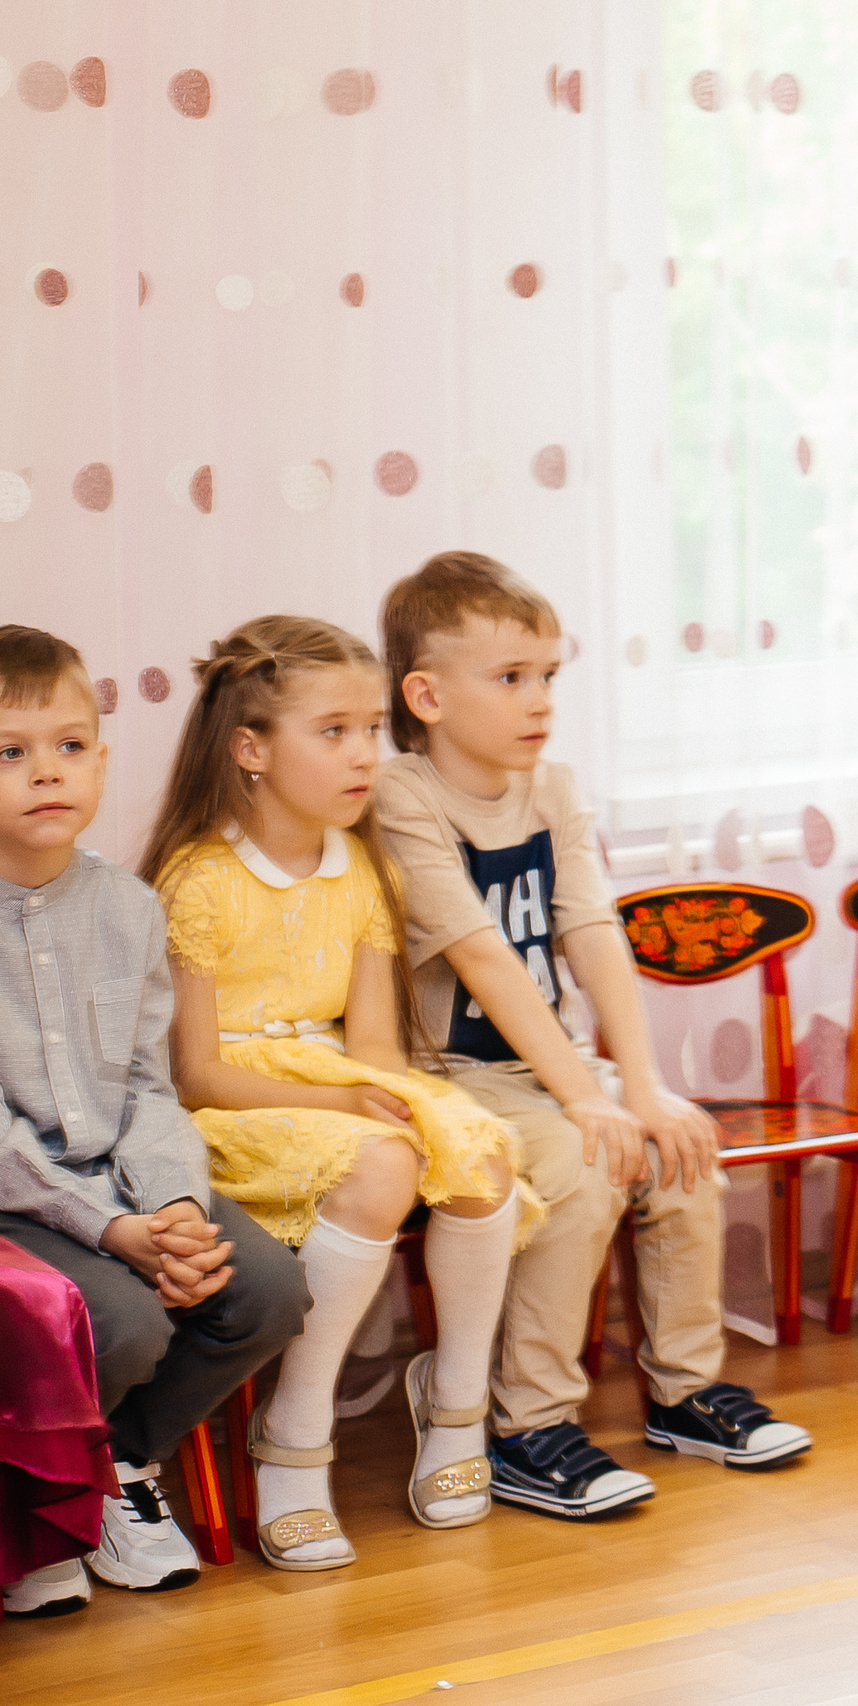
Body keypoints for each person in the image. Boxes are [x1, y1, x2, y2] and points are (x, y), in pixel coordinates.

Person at [374, 552, 809, 1524]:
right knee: (585, 1166)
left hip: (551, 1065)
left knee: (679, 1148)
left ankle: (686, 1392)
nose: (540, 701)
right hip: (453, 1074)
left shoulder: (552, 786)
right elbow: (483, 955)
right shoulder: (403, 797)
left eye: (548, 675)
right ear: (427, 696)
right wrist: (587, 1103)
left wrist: (642, 1088)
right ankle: (526, 1425)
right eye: (510, 677)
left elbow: (593, 930)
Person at [142, 616, 529, 1571]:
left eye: (370, 730)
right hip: (233, 1105)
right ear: (251, 750)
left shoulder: (362, 867)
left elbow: (375, 1047)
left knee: (479, 1153)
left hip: (331, 1080)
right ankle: (295, 1429)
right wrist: (351, 1112)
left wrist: (402, 1107)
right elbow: (197, 1075)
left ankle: (457, 1404)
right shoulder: (197, 881)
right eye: (333, 732)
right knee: (382, 1164)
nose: (364, 755)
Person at [0, 628, 308, 1614]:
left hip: (120, 1186)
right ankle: (36, 1501)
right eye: (10, 751)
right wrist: (112, 1231)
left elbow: (145, 1089)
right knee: (124, 1322)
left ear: (100, 757)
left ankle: (114, 1468)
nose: (47, 772)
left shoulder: (128, 909)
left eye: (70, 745)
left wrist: (174, 1205)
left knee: (267, 1289)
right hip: (19, 1203)